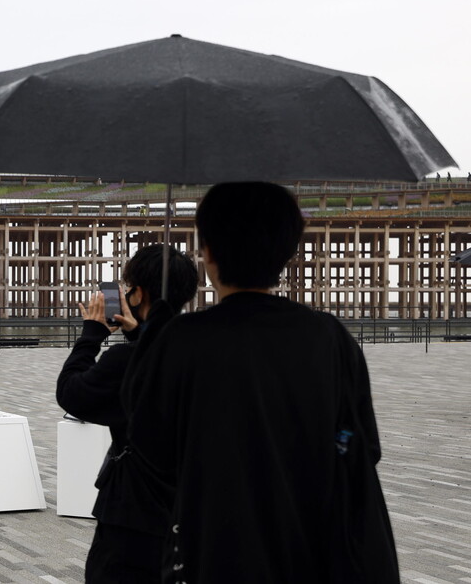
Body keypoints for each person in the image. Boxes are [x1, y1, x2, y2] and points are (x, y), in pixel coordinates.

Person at [124, 182, 397, 583]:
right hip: (311, 551)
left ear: (208, 252)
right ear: (287, 252)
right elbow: (365, 447)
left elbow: (149, 446)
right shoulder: (329, 337)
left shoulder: (183, 339)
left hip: (215, 549)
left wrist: (153, 332)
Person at [57, 244, 198, 583]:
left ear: (139, 294)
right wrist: (139, 332)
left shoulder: (126, 361)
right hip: (189, 510)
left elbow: (72, 394)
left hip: (133, 514)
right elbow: (160, 350)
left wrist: (91, 336)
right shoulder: (200, 352)